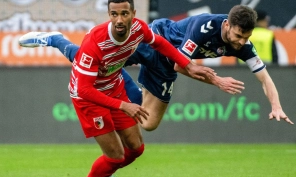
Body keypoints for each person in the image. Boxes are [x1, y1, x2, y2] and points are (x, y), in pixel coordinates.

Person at [22, 0, 219, 177]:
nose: (119, 19)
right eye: (114, 14)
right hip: (88, 98)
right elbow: (84, 89)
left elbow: (159, 43)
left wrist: (189, 65)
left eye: (124, 14)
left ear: (133, 13)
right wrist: (123, 105)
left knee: (135, 149)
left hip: (113, 85)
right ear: (108, 14)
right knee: (115, 156)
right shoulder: (95, 43)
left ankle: (104, 174)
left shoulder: (139, 28)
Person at [20, 5, 293, 129]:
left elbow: (266, 79)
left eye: (245, 37)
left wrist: (277, 106)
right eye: (237, 36)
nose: (241, 42)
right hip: (159, 43)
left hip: (168, 65)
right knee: (100, 65)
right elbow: (180, 62)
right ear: (226, 25)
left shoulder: (243, 44)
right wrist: (217, 81)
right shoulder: (204, 26)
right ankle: (57, 40)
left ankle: (125, 79)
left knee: (149, 124)